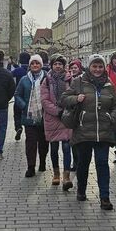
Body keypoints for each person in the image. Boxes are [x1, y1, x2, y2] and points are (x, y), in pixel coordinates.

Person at [61, 54, 116, 210]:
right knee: (83, 164)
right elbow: (64, 99)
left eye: (100, 66)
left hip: (103, 131)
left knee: (102, 164)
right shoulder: (79, 82)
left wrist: (111, 117)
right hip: (83, 131)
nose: (98, 69)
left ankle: (105, 197)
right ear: (89, 66)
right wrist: (76, 99)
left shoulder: (109, 84)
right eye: (94, 66)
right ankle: (81, 190)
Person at [41, 55, 74, 188]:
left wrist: (67, 109)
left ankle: (66, 177)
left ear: (64, 65)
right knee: (54, 149)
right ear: (51, 65)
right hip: (52, 118)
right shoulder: (47, 80)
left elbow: (73, 96)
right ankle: (56, 174)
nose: (58, 66)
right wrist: (57, 111)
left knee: (67, 148)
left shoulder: (70, 79)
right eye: (55, 64)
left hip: (66, 117)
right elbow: (44, 100)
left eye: (60, 64)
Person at [13, 54, 48, 177]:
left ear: (41, 65)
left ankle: (42, 162)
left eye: (37, 63)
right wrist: (24, 106)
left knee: (43, 143)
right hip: (29, 117)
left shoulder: (46, 78)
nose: (35, 65)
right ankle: (31, 166)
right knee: (31, 144)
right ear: (29, 65)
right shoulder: (24, 79)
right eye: (32, 63)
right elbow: (17, 95)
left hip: (44, 117)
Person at [11, 52, 30, 140]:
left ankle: (18, 127)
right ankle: (27, 130)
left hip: (19, 96)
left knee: (17, 113)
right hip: (29, 96)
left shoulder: (18, 70)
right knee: (27, 114)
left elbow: (10, 75)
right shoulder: (31, 70)